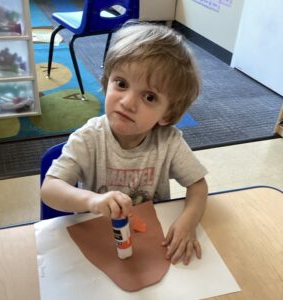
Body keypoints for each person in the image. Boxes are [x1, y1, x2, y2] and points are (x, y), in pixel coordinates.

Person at [41, 22, 208, 265]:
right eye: (121, 83)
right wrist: (92, 201)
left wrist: (187, 222)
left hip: (151, 240)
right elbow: (50, 189)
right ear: (107, 81)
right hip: (98, 239)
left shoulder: (168, 142)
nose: (128, 102)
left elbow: (198, 187)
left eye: (149, 96)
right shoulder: (89, 138)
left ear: (167, 115)